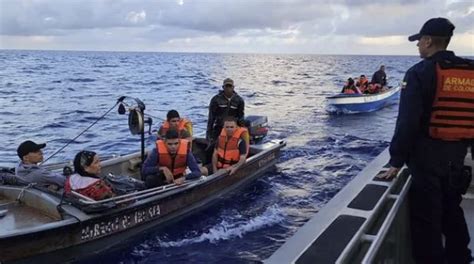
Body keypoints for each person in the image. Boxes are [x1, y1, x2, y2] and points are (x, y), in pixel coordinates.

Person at [379, 17, 473, 264]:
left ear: (429, 41)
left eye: (419, 40)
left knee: (427, 222)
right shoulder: (469, 72)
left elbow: (407, 123)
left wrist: (395, 161)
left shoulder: (419, 73)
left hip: (426, 161)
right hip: (457, 159)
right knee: (452, 211)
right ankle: (461, 258)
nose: (417, 45)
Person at [207, 78, 245, 144]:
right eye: (226, 86)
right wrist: (208, 134)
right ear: (223, 87)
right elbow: (211, 118)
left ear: (233, 87)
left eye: (230, 86)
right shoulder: (215, 99)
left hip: (233, 128)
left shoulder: (239, 100)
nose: (228, 88)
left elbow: (241, 117)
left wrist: (243, 132)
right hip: (219, 127)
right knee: (212, 145)